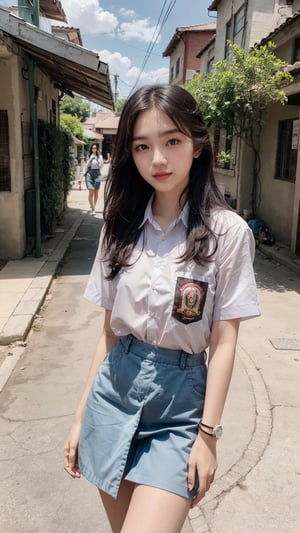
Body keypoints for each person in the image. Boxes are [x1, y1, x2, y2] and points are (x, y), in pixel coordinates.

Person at [64, 84, 260, 533]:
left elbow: (225, 341)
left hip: (180, 407)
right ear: (129, 154)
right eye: (141, 146)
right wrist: (79, 418)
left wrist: (207, 436)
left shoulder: (227, 234)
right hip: (112, 395)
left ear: (197, 143)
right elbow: (109, 334)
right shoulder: (119, 226)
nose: (158, 159)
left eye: (172, 141)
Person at [82, 144, 104, 215]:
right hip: (90, 173)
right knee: (91, 190)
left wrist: (97, 159)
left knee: (96, 192)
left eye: (95, 148)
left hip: (97, 173)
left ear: (97, 149)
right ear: (91, 149)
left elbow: (101, 166)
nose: (94, 149)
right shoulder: (88, 156)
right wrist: (83, 174)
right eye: (93, 148)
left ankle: (93, 206)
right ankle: (93, 208)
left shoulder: (100, 157)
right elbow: (86, 165)